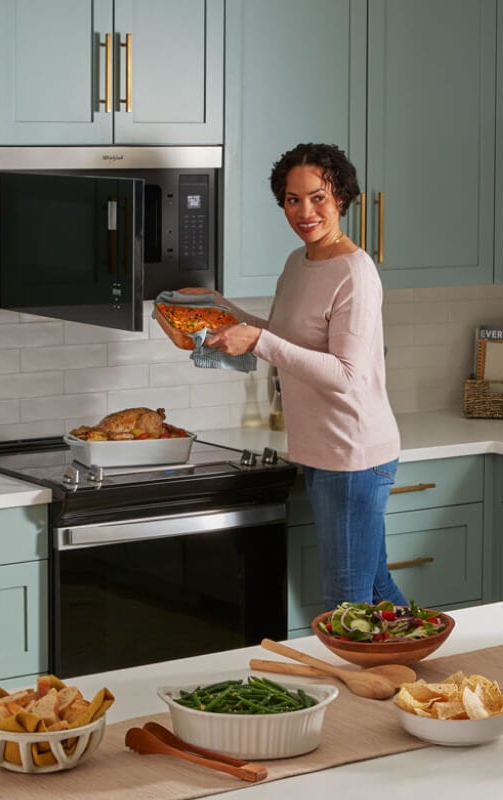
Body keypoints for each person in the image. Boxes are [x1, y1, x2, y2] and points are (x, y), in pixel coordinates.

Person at [190, 142, 406, 610]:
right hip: (325, 450)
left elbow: (345, 374)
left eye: (318, 197)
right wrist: (224, 310)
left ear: (342, 199)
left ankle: (386, 681)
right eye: (293, 199)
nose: (305, 211)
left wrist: (259, 342)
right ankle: (424, 676)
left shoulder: (355, 272)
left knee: (346, 604)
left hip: (353, 454)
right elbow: (290, 339)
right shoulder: (298, 262)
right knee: (375, 592)